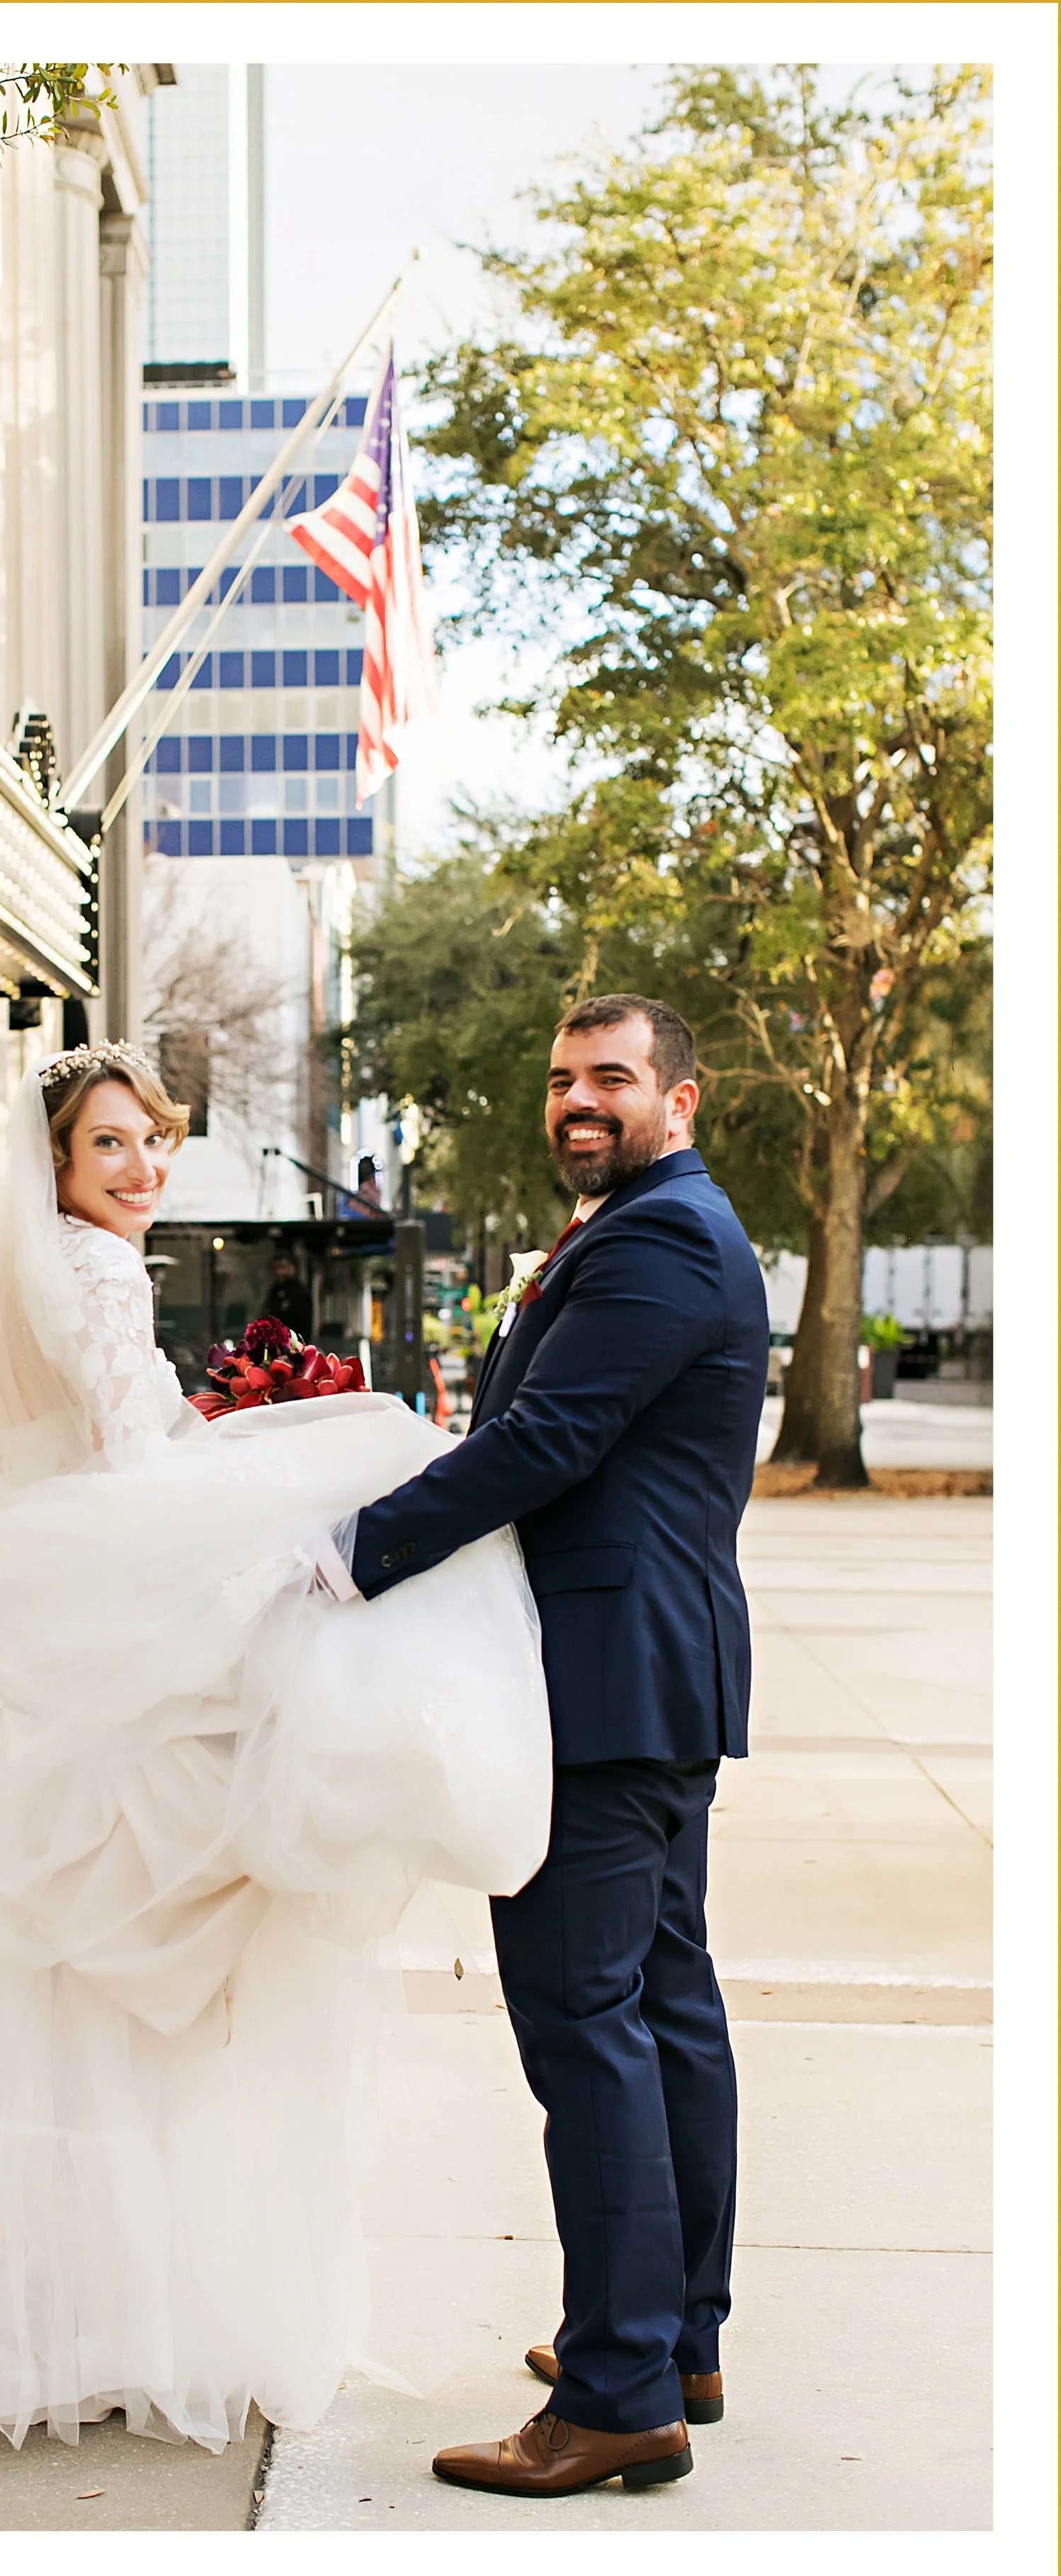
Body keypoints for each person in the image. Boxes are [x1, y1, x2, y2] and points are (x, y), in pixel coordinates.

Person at [0, 1041, 552, 2453]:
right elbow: (126, 1462)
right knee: (117, 1966)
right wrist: (248, 1509)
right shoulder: (94, 1271)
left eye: (153, 1141)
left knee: (15, 1959)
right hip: (106, 1624)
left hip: (31, 1616)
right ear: (55, 1160)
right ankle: (87, 2319)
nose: (142, 1168)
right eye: (110, 1145)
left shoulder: (3, 1258)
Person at [333, 994, 768, 2497]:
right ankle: (673, 2337)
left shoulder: (659, 1238)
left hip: (606, 1684)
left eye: (612, 1078)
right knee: (659, 2003)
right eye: (564, 1077)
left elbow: (544, 1441)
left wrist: (350, 1552)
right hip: (645, 1673)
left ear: (679, 1099)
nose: (579, 1098)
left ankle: (618, 2391)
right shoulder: (650, 1225)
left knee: (585, 2023)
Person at [261, 1248, 310, 1330]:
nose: (279, 1272)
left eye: (283, 1267)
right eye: (276, 1268)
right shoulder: (275, 1290)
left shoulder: (300, 1292)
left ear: (291, 1268)